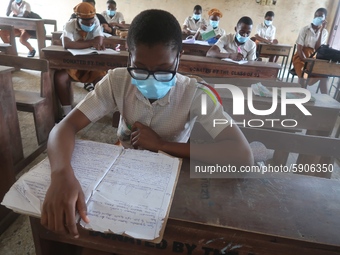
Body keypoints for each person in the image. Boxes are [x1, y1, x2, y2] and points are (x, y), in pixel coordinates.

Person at [41, 9, 253, 247]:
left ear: (178, 59)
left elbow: (242, 155)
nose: (151, 78)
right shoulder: (117, 81)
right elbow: (64, 127)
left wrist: (161, 145)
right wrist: (61, 174)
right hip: (122, 172)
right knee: (95, 238)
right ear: (128, 57)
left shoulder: (196, 94)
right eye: (140, 68)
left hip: (172, 177)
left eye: (163, 69)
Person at [55, 2, 107, 117]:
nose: (90, 25)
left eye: (91, 22)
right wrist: (91, 43)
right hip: (74, 63)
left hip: (92, 63)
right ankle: (67, 111)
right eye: (86, 23)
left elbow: (99, 41)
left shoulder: (96, 21)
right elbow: (67, 44)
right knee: (60, 77)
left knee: (102, 80)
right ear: (78, 18)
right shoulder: (70, 24)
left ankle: (98, 110)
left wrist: (78, 43)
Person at [292, 7, 328, 94]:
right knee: (303, 72)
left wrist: (321, 30)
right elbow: (299, 47)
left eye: (320, 16)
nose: (318, 17)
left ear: (324, 19)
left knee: (324, 76)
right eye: (316, 16)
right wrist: (305, 60)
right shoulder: (305, 29)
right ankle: (301, 94)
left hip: (314, 57)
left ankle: (326, 99)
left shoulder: (325, 32)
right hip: (301, 56)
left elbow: (317, 48)